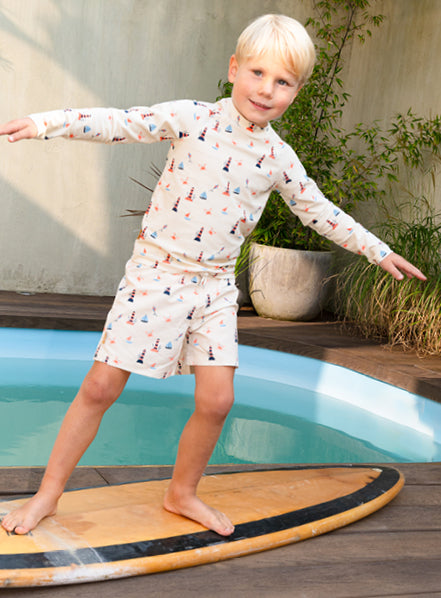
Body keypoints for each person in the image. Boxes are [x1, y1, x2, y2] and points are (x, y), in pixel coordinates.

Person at [0, 14, 425, 538]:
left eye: (283, 81)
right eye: (257, 73)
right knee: (100, 388)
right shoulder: (192, 118)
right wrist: (44, 123)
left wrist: (377, 250)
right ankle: (47, 495)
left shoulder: (279, 157)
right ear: (233, 69)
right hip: (156, 275)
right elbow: (121, 123)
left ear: (296, 92)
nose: (266, 90)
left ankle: (182, 492)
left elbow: (319, 211)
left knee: (218, 400)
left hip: (216, 289)